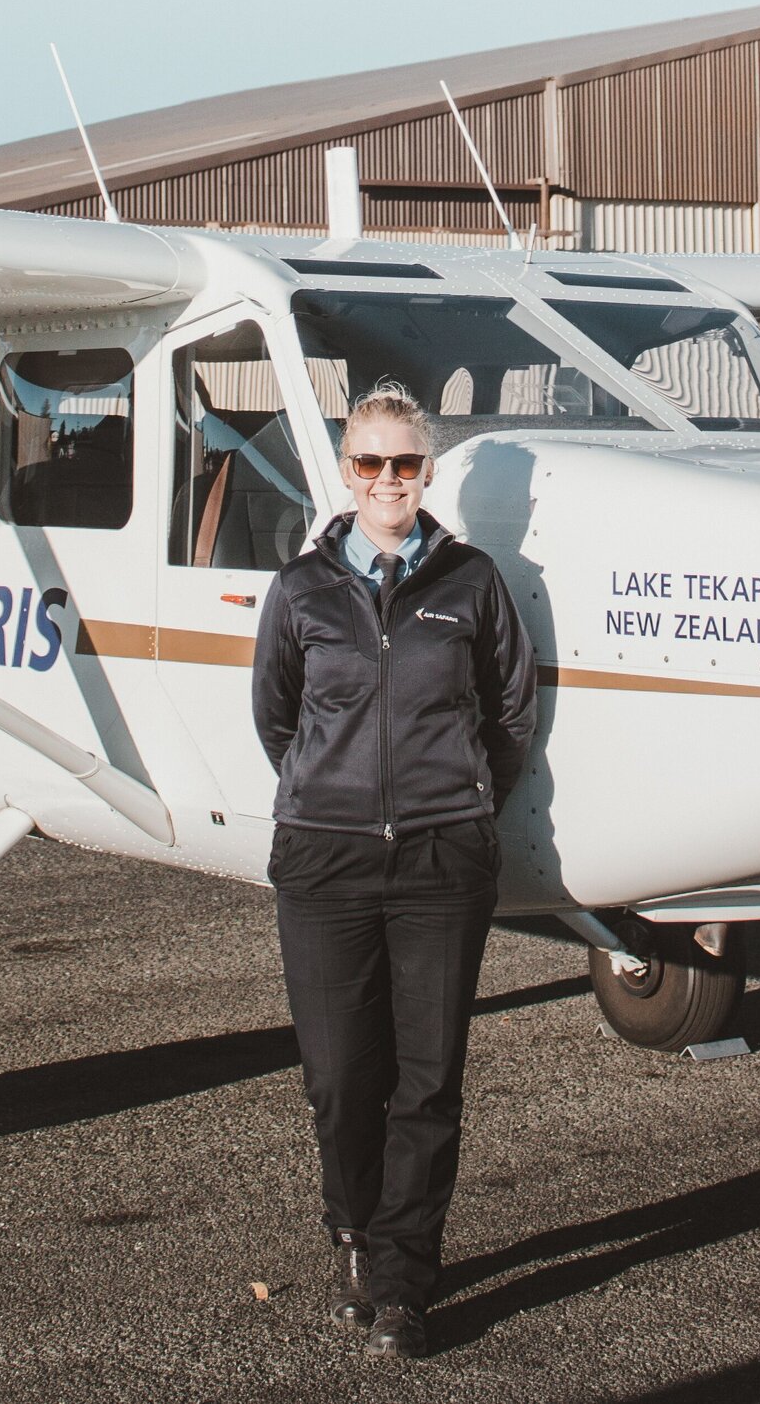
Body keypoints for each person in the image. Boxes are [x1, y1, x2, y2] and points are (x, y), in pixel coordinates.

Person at [251, 382, 537, 1359]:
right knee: (340, 1078)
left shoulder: (472, 582)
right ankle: (355, 1237)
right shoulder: (301, 590)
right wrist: (330, 794)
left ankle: (406, 1281)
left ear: (427, 471)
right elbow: (277, 717)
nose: (387, 479)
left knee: (428, 1079)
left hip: (440, 861)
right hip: (323, 861)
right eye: (370, 461)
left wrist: (461, 802)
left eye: (404, 462)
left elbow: (510, 712)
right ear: (346, 471)